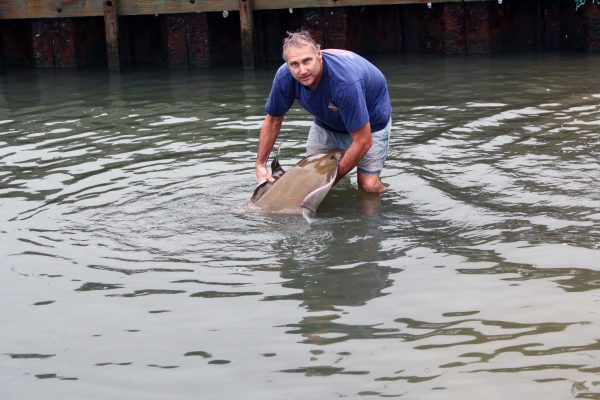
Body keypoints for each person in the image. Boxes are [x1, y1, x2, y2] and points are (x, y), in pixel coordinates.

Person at [255, 30, 392, 193]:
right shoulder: (284, 77)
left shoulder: (345, 83)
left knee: (368, 186)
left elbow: (363, 141)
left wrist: (328, 182)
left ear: (319, 55)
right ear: (287, 65)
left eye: (307, 61)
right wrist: (260, 164)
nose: (302, 70)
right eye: (294, 64)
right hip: (327, 121)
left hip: (371, 122)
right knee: (311, 179)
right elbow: (272, 120)